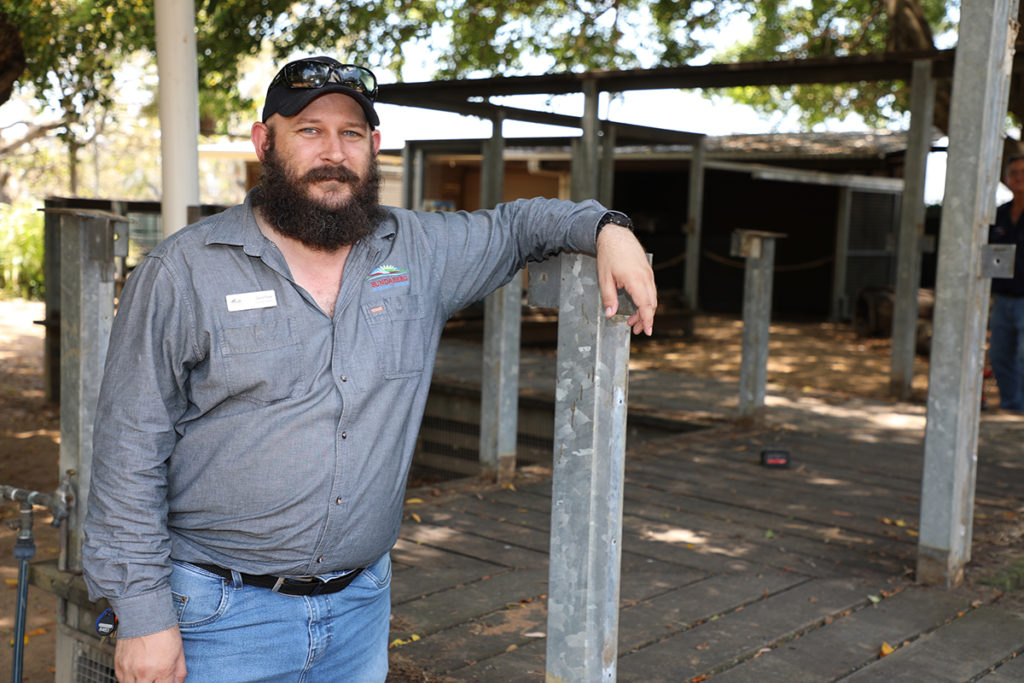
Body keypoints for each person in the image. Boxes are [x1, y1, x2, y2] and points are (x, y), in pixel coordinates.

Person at [81, 56, 657, 683]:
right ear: (263, 141)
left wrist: (608, 227)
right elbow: (127, 453)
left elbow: (519, 226)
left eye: (351, 133)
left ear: (374, 145)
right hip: (217, 617)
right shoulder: (183, 271)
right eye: (309, 130)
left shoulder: (419, 251)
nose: (333, 151)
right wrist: (142, 617)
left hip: (359, 611)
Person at [989, 153, 1024, 413]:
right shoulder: (998, 214)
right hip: (1002, 300)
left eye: (1023, 173)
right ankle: (1012, 410)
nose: (1019, 178)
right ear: (1005, 179)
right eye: (1014, 173)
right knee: (999, 357)